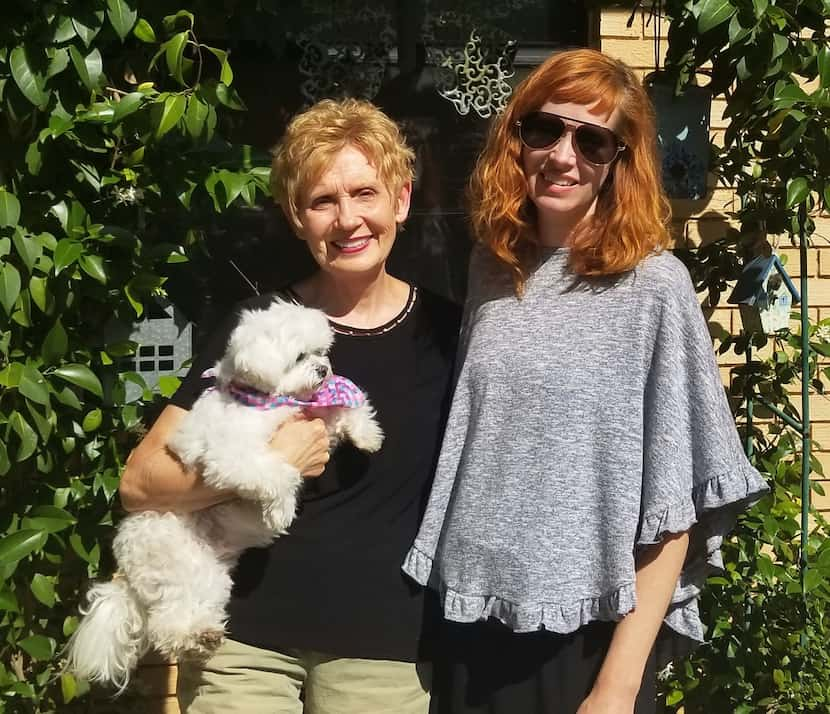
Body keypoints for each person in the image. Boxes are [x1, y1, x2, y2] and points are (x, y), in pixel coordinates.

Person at [402, 49, 768, 714]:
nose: (563, 157)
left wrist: (618, 686)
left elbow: (672, 511)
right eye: (544, 129)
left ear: (618, 163)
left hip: (584, 639)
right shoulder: (493, 265)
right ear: (517, 136)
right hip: (469, 620)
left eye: (592, 141)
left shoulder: (655, 287)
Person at [119, 98, 461, 714]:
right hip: (244, 642)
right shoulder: (256, 331)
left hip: (383, 647)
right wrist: (265, 461)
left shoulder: (450, 333)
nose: (348, 219)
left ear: (402, 202)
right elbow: (142, 482)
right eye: (322, 201)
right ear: (295, 217)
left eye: (365, 193)